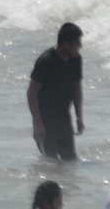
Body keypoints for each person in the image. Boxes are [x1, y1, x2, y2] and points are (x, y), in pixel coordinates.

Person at [27, 22, 84, 160]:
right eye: (77, 43)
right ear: (65, 43)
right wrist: (38, 124)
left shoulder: (76, 60)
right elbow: (31, 93)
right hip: (44, 118)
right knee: (50, 161)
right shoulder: (46, 61)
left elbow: (76, 88)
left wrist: (79, 117)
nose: (80, 46)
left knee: (70, 159)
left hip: (63, 116)